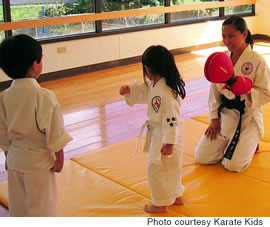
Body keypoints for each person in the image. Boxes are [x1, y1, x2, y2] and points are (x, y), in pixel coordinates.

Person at [0, 34, 73, 217]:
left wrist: (8, 156)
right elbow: (55, 132)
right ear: (35, 64)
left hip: (15, 160)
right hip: (38, 164)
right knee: (43, 208)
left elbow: (2, 133)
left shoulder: (3, 97)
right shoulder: (43, 96)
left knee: (19, 206)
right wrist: (59, 158)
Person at [194, 15, 270, 172]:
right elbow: (214, 91)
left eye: (231, 36)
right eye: (224, 36)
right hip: (225, 118)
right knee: (202, 157)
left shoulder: (257, 60)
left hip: (248, 118)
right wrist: (214, 119)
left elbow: (266, 92)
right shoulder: (221, 59)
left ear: (244, 34)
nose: (227, 41)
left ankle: (251, 140)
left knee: (233, 165)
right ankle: (235, 145)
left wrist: (245, 90)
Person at [119, 45, 186, 213]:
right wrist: (130, 89)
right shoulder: (160, 86)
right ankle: (176, 195)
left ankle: (159, 203)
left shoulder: (163, 93)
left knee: (156, 168)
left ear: (147, 68)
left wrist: (169, 142)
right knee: (172, 166)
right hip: (170, 133)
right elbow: (146, 89)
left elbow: (171, 119)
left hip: (166, 134)